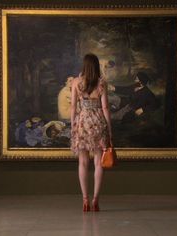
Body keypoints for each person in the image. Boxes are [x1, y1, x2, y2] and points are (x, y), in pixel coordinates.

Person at [70, 53, 112, 212]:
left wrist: (73, 125)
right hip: (98, 122)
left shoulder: (76, 82)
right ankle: (95, 199)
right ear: (96, 66)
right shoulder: (102, 83)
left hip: (82, 123)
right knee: (98, 163)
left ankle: (85, 199)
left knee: (82, 163)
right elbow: (106, 108)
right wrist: (109, 129)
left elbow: (73, 107)